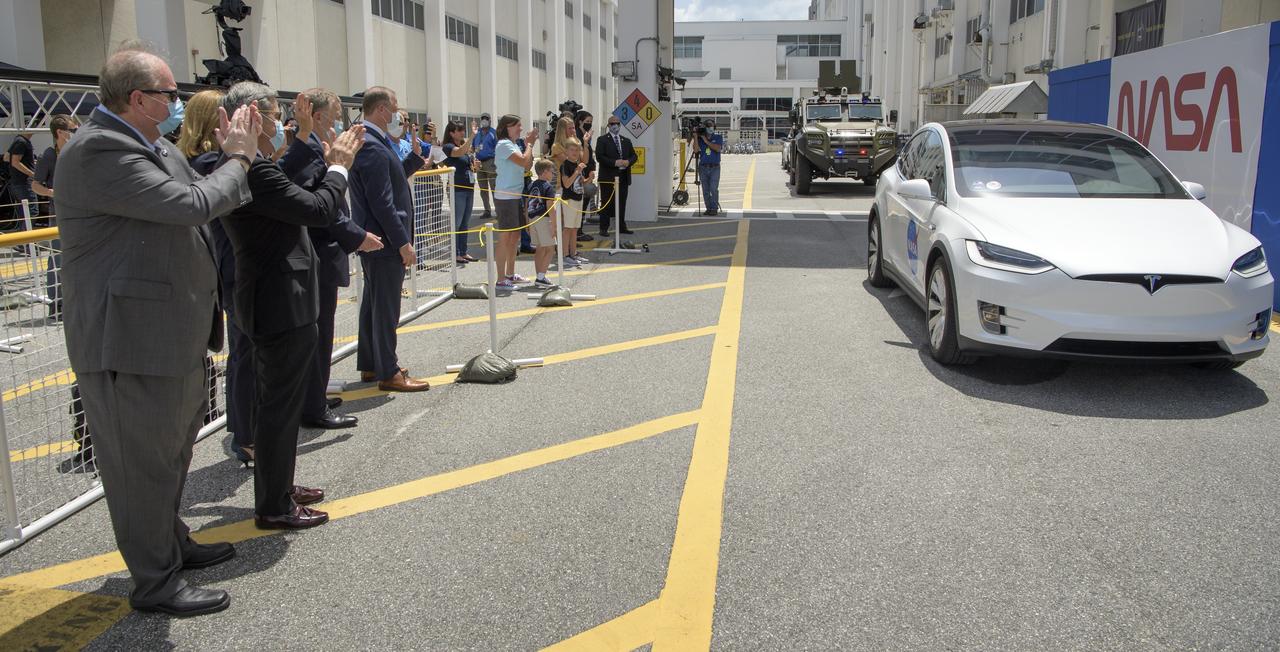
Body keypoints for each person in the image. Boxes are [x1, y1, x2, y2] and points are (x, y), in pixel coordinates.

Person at [55, 43, 257, 617]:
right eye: (171, 94)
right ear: (139, 99)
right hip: (128, 340)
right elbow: (189, 204)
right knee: (140, 467)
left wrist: (230, 159)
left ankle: (170, 543)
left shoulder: (150, 144)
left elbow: (197, 191)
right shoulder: (100, 149)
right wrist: (239, 161)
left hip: (166, 333)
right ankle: (154, 581)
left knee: (169, 453)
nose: (179, 103)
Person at [216, 82, 361, 531]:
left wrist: (310, 147)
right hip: (279, 301)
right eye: (274, 115)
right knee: (278, 408)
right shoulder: (253, 171)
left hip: (274, 298)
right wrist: (338, 167)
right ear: (252, 117)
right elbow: (317, 209)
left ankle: (277, 487)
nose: (280, 123)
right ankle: (274, 505)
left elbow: (294, 188)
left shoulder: (251, 167)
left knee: (274, 405)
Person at [278, 89, 384, 431]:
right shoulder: (310, 149)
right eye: (336, 115)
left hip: (321, 254)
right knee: (319, 333)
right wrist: (357, 236)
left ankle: (315, 396)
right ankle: (313, 407)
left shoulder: (319, 147)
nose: (340, 123)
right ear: (319, 116)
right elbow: (321, 208)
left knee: (321, 332)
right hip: (318, 255)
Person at [181, 89, 259, 467]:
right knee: (245, 354)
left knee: (245, 352)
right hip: (232, 266)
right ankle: (246, 434)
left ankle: (246, 428)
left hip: (226, 266)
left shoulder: (195, 161)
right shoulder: (214, 163)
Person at [349, 86, 431, 392]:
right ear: (382, 110)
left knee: (374, 304)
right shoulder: (371, 144)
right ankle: (388, 371)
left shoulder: (374, 141)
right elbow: (382, 202)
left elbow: (389, 178)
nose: (399, 117)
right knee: (385, 308)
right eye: (395, 110)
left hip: (377, 239)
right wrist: (402, 242)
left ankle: (373, 363)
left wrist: (414, 159)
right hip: (384, 240)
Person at [32, 114, 77, 321]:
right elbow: (36, 185)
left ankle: (74, 300)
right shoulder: (49, 156)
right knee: (57, 258)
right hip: (58, 215)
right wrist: (53, 192)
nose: (75, 134)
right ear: (60, 132)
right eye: (72, 130)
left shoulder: (75, 152)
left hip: (79, 214)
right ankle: (56, 302)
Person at [493, 114, 540, 290]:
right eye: (517, 125)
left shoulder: (513, 144)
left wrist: (528, 146)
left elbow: (527, 165)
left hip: (515, 195)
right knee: (505, 238)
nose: (521, 128)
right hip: (505, 197)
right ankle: (500, 279)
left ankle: (510, 274)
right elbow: (522, 161)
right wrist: (530, 144)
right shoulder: (504, 144)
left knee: (514, 237)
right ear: (507, 127)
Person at [442, 120, 479, 264]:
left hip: (468, 187)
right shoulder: (448, 146)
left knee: (465, 222)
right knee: (457, 222)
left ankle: (463, 251)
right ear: (452, 133)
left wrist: (475, 166)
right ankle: (455, 253)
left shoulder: (464, 145)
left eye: (464, 130)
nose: (463, 132)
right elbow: (459, 152)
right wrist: (472, 136)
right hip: (457, 189)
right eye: (460, 130)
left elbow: (467, 161)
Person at [595, 116, 638, 237]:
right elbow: (599, 156)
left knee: (621, 202)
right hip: (608, 178)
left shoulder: (626, 141)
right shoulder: (602, 140)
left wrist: (628, 162)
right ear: (608, 125)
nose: (615, 126)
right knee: (606, 203)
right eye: (612, 123)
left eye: (617, 123)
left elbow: (634, 156)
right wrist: (614, 163)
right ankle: (604, 228)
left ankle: (621, 226)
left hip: (623, 177)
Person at [527, 158, 559, 287]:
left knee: (540, 248)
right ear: (545, 172)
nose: (553, 174)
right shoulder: (548, 186)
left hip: (532, 218)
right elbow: (550, 206)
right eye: (551, 171)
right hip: (543, 219)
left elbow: (527, 204)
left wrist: (527, 222)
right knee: (550, 249)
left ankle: (539, 275)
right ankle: (541, 277)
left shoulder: (532, 185)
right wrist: (554, 225)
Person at [559, 139, 590, 267]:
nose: (575, 152)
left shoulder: (578, 164)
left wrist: (589, 179)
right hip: (569, 200)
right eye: (572, 150)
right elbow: (566, 184)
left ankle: (573, 253)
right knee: (568, 228)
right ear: (566, 151)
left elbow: (581, 183)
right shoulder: (565, 165)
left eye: (577, 150)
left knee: (575, 228)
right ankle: (565, 255)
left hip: (578, 198)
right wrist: (577, 171)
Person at [5, 130, 39, 222]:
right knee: (32, 212)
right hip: (24, 183)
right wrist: (32, 173)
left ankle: (23, 230)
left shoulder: (18, 140)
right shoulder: (21, 141)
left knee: (25, 214)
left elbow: (7, 157)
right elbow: (15, 162)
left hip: (18, 182)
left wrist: (30, 162)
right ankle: (27, 231)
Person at [695, 118, 724, 216]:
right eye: (708, 126)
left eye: (711, 126)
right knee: (705, 190)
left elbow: (718, 148)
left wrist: (705, 140)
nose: (710, 128)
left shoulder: (718, 137)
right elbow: (696, 150)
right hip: (703, 167)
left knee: (713, 189)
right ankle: (708, 208)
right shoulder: (700, 139)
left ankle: (714, 208)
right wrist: (695, 137)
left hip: (715, 167)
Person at [472, 113, 498, 218]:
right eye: (482, 118)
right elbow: (473, 147)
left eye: (486, 119)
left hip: (490, 162)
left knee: (494, 187)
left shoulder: (493, 133)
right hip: (479, 163)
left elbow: (498, 147)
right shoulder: (477, 133)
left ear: (490, 120)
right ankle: (487, 210)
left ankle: (498, 211)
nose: (484, 120)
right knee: (483, 189)